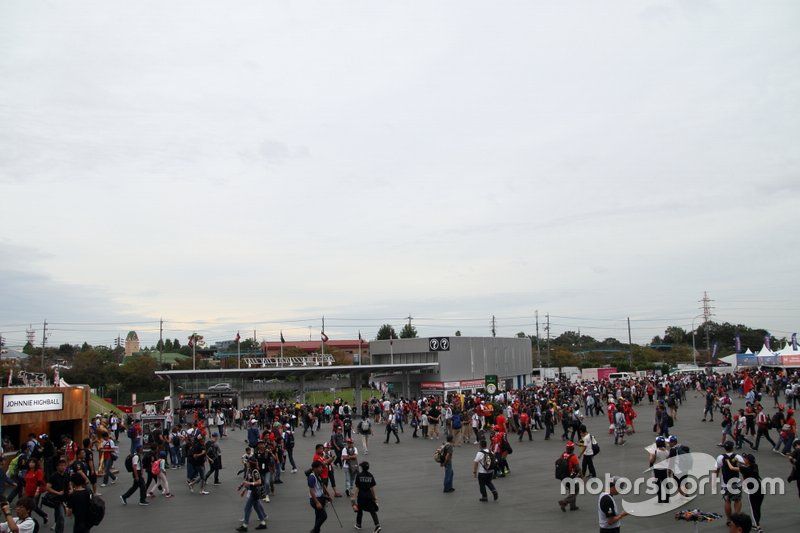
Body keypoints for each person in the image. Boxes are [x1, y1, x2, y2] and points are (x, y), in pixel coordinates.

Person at [236, 457, 267, 532]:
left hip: (255, 492)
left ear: (251, 463)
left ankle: (245, 526)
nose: (246, 463)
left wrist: (250, 483)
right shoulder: (249, 470)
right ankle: (263, 523)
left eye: (248, 462)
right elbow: (246, 480)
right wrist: (241, 487)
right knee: (257, 508)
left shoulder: (255, 471)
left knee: (247, 508)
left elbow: (259, 482)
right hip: (252, 491)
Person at [716, 441, 745, 520]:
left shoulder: (720, 457)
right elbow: (744, 466)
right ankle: (736, 518)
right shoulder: (738, 456)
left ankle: (729, 519)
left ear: (724, 448)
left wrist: (716, 478)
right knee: (737, 500)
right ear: (732, 447)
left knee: (727, 501)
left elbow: (717, 469)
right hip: (736, 482)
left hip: (725, 483)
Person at [352, 461, 381, 533]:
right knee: (373, 511)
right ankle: (377, 525)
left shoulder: (359, 475)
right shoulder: (370, 475)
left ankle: (358, 524)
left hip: (361, 496)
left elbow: (357, 488)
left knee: (359, 510)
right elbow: (372, 488)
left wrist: (353, 497)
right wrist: (375, 498)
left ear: (362, 467)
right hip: (369, 496)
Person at [45, 458, 70, 533]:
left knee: (59, 514)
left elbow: (69, 484)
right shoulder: (54, 476)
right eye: (61, 465)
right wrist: (57, 492)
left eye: (64, 465)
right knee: (61, 517)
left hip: (65, 498)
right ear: (57, 467)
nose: (63, 467)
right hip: (56, 499)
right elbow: (47, 487)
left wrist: (71, 489)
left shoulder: (66, 474)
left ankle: (56, 524)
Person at [308, 460, 331, 533]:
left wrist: (328, 494)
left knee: (318, 516)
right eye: (320, 467)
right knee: (324, 516)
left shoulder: (318, 474)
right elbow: (311, 491)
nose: (322, 469)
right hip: (315, 499)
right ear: (315, 468)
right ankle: (314, 530)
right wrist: (317, 502)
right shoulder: (312, 477)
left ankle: (316, 530)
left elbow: (322, 485)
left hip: (321, 497)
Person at [557, 441, 580, 512]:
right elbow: (577, 468)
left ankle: (573, 506)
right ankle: (564, 502)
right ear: (573, 448)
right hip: (570, 476)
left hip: (563, 476)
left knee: (572, 490)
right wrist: (581, 475)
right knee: (576, 490)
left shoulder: (563, 454)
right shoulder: (573, 457)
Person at [649, 436, 670, 503]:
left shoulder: (656, 451)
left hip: (657, 470)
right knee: (665, 484)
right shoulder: (667, 451)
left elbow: (651, 461)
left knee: (658, 484)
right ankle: (667, 498)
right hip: (664, 469)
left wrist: (650, 454)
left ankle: (659, 499)